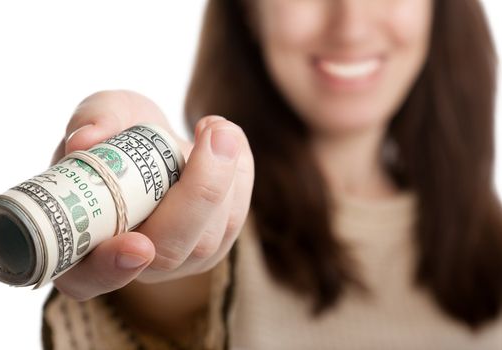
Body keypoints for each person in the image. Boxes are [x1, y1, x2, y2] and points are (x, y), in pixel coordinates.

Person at [42, 0, 502, 349]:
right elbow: (171, 291)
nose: (351, 25)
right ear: (248, 12)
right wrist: (153, 230)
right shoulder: (223, 224)